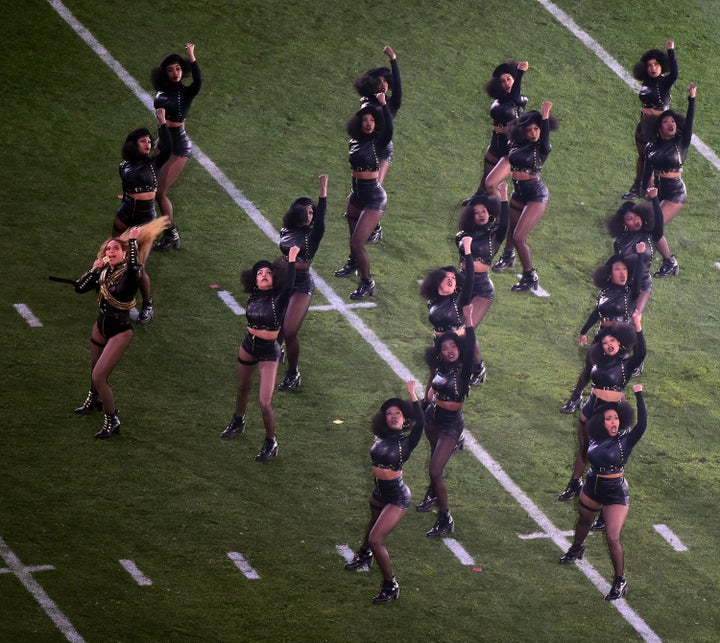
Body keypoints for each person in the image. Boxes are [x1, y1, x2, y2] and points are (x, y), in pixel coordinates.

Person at [73, 217, 170, 438]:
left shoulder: (129, 274)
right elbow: (79, 288)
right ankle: (94, 399)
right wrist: (93, 269)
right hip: (101, 325)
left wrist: (134, 242)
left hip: (120, 330)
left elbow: (136, 267)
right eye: (109, 248)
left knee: (99, 376)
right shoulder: (104, 271)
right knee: (94, 366)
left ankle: (112, 419)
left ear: (124, 253)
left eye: (116, 248)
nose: (112, 250)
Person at [559, 384, 647, 601]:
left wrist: (639, 395)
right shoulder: (595, 437)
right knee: (583, 522)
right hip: (592, 486)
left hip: (616, 492)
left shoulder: (625, 440)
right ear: (601, 422)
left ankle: (620, 580)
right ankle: (577, 548)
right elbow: (585, 447)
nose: (613, 422)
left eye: (616, 418)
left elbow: (642, 424)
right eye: (608, 419)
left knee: (612, 536)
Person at [344, 380, 424, 604]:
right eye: (389, 413)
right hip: (379, 492)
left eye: (398, 412)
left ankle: (390, 584)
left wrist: (412, 394)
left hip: (397, 497)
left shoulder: (406, 443)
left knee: (376, 539)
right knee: (371, 526)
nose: (394, 415)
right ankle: (364, 554)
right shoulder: (380, 436)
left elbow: (421, 424)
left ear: (405, 418)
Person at [221, 246, 300, 461]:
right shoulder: (254, 296)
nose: (263, 275)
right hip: (248, 345)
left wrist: (292, 261)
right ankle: (238, 420)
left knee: (265, 402)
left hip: (268, 352)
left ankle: (270, 441)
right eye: (259, 273)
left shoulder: (279, 299)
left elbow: (291, 284)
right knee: (242, 387)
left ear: (274, 278)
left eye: (267, 272)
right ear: (254, 281)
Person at [558, 310, 645, 502]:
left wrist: (637, 325)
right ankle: (575, 483)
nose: (609, 345)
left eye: (612, 341)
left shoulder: (627, 364)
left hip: (610, 412)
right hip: (591, 407)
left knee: (605, 457)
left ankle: (607, 502)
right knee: (584, 447)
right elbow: (589, 374)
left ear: (620, 342)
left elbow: (641, 353)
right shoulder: (599, 360)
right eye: (605, 343)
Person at [560, 249, 644, 415]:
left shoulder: (631, 293)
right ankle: (575, 398)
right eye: (617, 269)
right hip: (603, 335)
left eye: (624, 269)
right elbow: (597, 312)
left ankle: (618, 412)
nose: (622, 273)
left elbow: (639, 279)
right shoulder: (604, 293)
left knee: (616, 377)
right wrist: (584, 331)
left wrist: (640, 255)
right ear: (610, 274)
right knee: (590, 367)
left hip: (620, 340)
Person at [417, 304, 476, 536]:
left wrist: (469, 319)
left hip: (451, 424)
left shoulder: (464, 370)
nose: (450, 350)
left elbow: (470, 344)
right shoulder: (440, 366)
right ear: (439, 351)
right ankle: (433, 495)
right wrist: (424, 405)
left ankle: (445, 517)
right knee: (435, 461)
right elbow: (432, 387)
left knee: (434, 470)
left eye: (453, 346)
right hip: (433, 419)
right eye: (445, 347)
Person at [485, 102, 557, 291]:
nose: (534, 133)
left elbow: (545, 135)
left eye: (537, 129)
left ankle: (530, 275)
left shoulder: (542, 148)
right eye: (530, 130)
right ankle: (508, 256)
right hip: (519, 192)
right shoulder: (517, 145)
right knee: (510, 227)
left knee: (519, 237)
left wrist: (545, 116)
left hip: (536, 194)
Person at [333, 92, 394, 299]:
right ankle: (352, 263)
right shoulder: (354, 141)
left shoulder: (379, 141)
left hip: (374, 197)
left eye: (372, 120)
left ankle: (367, 282)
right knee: (353, 238)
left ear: (376, 123)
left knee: (358, 243)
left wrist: (384, 105)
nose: (368, 123)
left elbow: (390, 129)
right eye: (365, 120)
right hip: (356, 193)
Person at [114, 108, 171, 324]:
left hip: (146, 222)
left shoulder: (153, 163)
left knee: (137, 268)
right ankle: (114, 292)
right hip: (125, 215)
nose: (148, 144)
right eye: (143, 141)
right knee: (115, 255)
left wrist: (162, 122)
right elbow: (126, 191)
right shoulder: (123, 166)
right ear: (133, 144)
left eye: (149, 141)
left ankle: (147, 304)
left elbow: (168, 147)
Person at [277, 174, 328, 391]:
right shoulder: (286, 230)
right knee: (276, 320)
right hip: (283, 280)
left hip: (301, 286)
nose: (310, 215)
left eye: (311, 212)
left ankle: (293, 373)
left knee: (290, 330)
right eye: (306, 211)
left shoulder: (313, 234)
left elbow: (322, 217)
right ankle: (275, 350)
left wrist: (323, 190)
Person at [640, 83, 696, 277]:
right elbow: (647, 171)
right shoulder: (652, 147)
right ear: (659, 127)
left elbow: (689, 122)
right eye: (666, 122)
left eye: (673, 121)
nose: (671, 124)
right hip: (659, 191)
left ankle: (669, 261)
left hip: (675, 192)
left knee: (654, 226)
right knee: (646, 224)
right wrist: (646, 187)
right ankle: (659, 260)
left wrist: (692, 99)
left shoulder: (682, 142)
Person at [456, 183, 510, 380]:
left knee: (466, 327)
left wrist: (504, 196)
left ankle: (478, 368)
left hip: (482, 288)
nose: (481, 214)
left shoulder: (494, 235)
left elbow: (505, 224)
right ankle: (466, 363)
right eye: (477, 212)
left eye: (484, 211)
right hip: (463, 283)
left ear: (490, 213)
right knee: (457, 328)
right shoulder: (461, 236)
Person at [151, 43, 202, 250]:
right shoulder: (160, 94)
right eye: (171, 70)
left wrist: (191, 56)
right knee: (149, 184)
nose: (175, 73)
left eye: (179, 69)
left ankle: (171, 234)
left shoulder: (186, 93)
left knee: (159, 192)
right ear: (164, 73)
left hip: (179, 146)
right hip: (164, 141)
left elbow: (198, 82)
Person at [420, 236, 484, 388]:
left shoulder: (460, 299)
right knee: (435, 376)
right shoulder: (433, 301)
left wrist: (467, 251)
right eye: (446, 277)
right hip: (439, 341)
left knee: (453, 381)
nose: (450, 279)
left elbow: (469, 278)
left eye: (453, 278)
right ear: (437, 281)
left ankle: (477, 369)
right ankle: (427, 404)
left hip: (457, 342)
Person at [354, 46, 402, 244]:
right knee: (362, 191)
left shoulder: (391, 104)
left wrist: (393, 59)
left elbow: (398, 89)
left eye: (386, 82)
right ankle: (363, 218)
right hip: (366, 151)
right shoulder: (365, 101)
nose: (384, 85)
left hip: (383, 150)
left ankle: (375, 228)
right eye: (380, 81)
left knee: (375, 189)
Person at [463, 60, 528, 204]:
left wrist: (521, 72)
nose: (506, 83)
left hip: (511, 151)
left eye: (509, 79)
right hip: (496, 144)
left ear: (514, 80)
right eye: (503, 81)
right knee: (485, 177)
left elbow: (515, 97)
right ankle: (477, 199)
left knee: (491, 184)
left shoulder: (520, 100)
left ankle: (502, 214)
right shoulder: (500, 99)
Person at [622, 41, 678, 200]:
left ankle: (652, 190)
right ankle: (638, 187)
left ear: (662, 66)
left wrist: (671, 51)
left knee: (652, 161)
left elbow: (674, 75)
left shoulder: (664, 82)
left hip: (658, 128)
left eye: (656, 65)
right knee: (642, 157)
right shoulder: (647, 81)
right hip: (644, 125)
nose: (653, 68)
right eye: (650, 65)